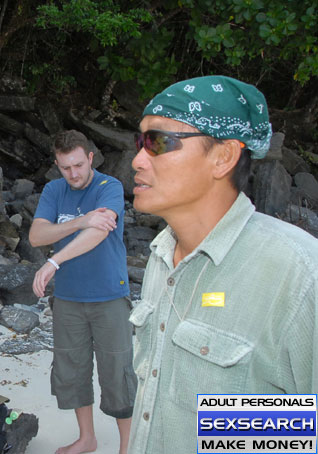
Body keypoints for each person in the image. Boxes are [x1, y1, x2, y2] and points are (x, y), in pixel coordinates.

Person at [128, 75, 318, 453]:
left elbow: (302, 430)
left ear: (224, 157)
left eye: (158, 142)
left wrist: (232, 428)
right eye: (139, 141)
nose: (136, 159)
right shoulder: (162, 256)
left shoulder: (296, 274)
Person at [29, 130, 136, 454]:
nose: (73, 174)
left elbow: (99, 232)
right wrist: (79, 221)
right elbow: (36, 235)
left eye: (78, 165)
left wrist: (54, 262)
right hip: (69, 299)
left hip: (109, 296)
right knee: (72, 369)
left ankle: (127, 447)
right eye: (65, 167)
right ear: (57, 165)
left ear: (90, 157)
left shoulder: (109, 187)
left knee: (117, 374)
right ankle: (86, 438)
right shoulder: (54, 190)